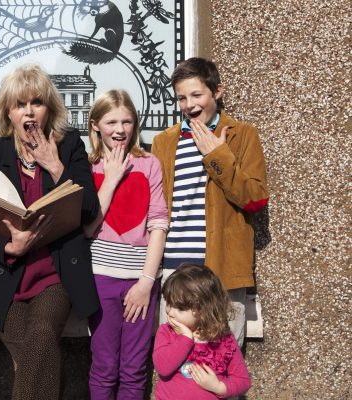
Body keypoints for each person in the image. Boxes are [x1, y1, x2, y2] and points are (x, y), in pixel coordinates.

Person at [0, 64, 101, 400]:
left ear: (49, 109)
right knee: (37, 355)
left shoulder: (69, 147)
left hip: (54, 275)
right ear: (8, 113)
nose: (28, 111)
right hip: (3, 278)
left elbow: (88, 210)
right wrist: (10, 248)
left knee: (41, 335)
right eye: (19, 104)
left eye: (37, 102)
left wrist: (54, 166)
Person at [152, 57, 269, 346]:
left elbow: (254, 198)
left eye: (196, 95)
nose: (189, 104)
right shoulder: (165, 141)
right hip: (175, 266)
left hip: (221, 266)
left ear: (217, 92)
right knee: (177, 358)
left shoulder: (241, 135)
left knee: (222, 360)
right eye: (181, 98)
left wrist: (216, 155)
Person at [83, 90, 168, 399]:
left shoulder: (149, 164)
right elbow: (88, 227)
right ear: (95, 125)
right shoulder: (86, 166)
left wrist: (146, 282)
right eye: (111, 122)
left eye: (127, 121)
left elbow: (158, 223)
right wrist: (112, 178)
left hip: (141, 281)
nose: (120, 130)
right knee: (104, 367)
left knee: (134, 370)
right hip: (101, 279)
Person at [153, 264, 251, 399]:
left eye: (180, 308)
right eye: (169, 303)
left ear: (203, 309)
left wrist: (218, 387)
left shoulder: (223, 339)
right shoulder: (166, 332)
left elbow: (243, 381)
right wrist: (185, 338)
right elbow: (163, 367)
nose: (170, 312)